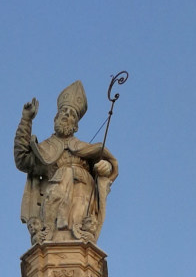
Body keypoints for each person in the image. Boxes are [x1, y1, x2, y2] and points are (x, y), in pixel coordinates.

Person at [13, 83, 118, 246]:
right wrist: (26, 120)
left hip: (82, 193)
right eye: (64, 112)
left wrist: (106, 167)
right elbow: (22, 159)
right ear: (55, 118)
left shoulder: (85, 148)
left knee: (80, 236)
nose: (66, 116)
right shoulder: (45, 148)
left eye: (71, 115)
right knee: (51, 238)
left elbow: (107, 165)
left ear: (75, 125)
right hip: (54, 193)